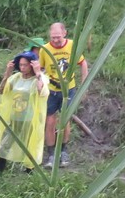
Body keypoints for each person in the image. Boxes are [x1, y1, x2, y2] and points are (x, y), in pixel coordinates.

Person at [38, 22, 89, 168]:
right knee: (50, 121)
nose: (55, 40)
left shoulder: (72, 45)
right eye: (53, 37)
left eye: (58, 37)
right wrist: (39, 82)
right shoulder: (44, 49)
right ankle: (51, 154)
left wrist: (84, 86)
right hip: (51, 90)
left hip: (69, 89)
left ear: (64, 33)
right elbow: (40, 69)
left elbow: (83, 63)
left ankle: (64, 151)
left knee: (65, 121)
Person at [0, 51, 50, 173]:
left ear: (32, 65)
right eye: (21, 65)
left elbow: (42, 92)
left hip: (30, 119)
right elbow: (2, 90)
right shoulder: (16, 78)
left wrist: (38, 73)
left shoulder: (39, 79)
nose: (22, 67)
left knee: (30, 146)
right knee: (4, 144)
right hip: (14, 117)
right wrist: (7, 73)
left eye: (25, 65)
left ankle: (30, 172)